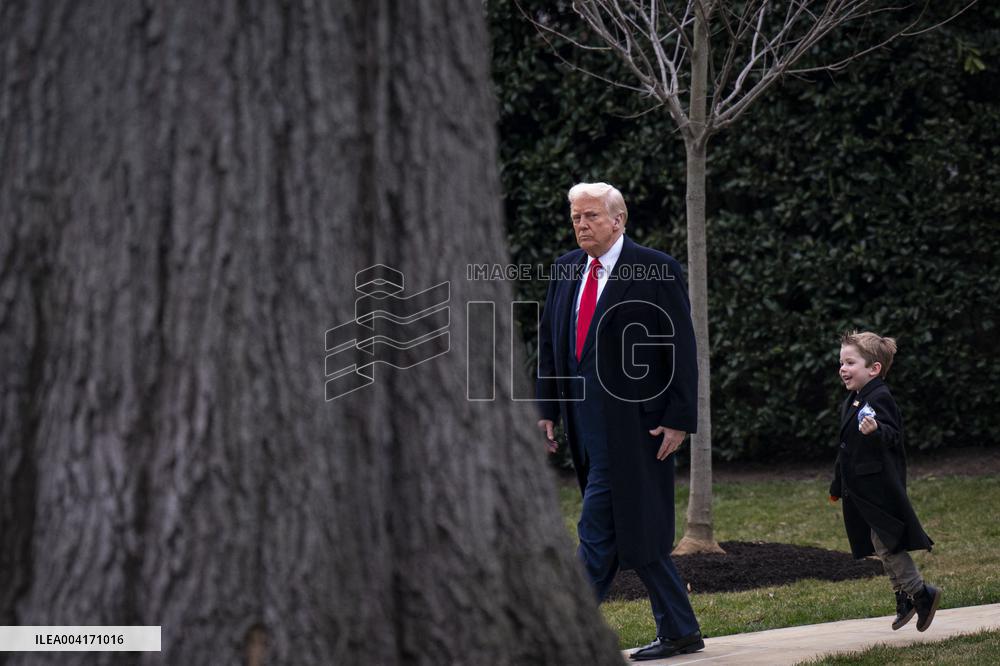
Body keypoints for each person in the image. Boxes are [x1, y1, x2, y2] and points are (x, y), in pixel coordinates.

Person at [536, 182, 703, 660]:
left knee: (597, 528)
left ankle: (565, 637)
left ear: (618, 219)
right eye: (575, 217)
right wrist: (546, 409)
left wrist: (678, 418)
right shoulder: (566, 269)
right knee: (635, 528)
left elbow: (682, 351)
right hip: (585, 426)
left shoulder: (655, 269)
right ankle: (680, 630)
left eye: (590, 216)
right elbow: (552, 345)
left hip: (637, 426)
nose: (581, 225)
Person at [831, 331, 940, 632]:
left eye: (850, 362)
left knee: (887, 543)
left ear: (874, 368)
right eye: (841, 362)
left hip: (879, 488)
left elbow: (894, 436)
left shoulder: (879, 397)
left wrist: (877, 429)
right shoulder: (854, 399)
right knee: (880, 544)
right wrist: (837, 485)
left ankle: (921, 593)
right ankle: (904, 597)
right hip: (861, 489)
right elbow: (846, 447)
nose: (842, 368)